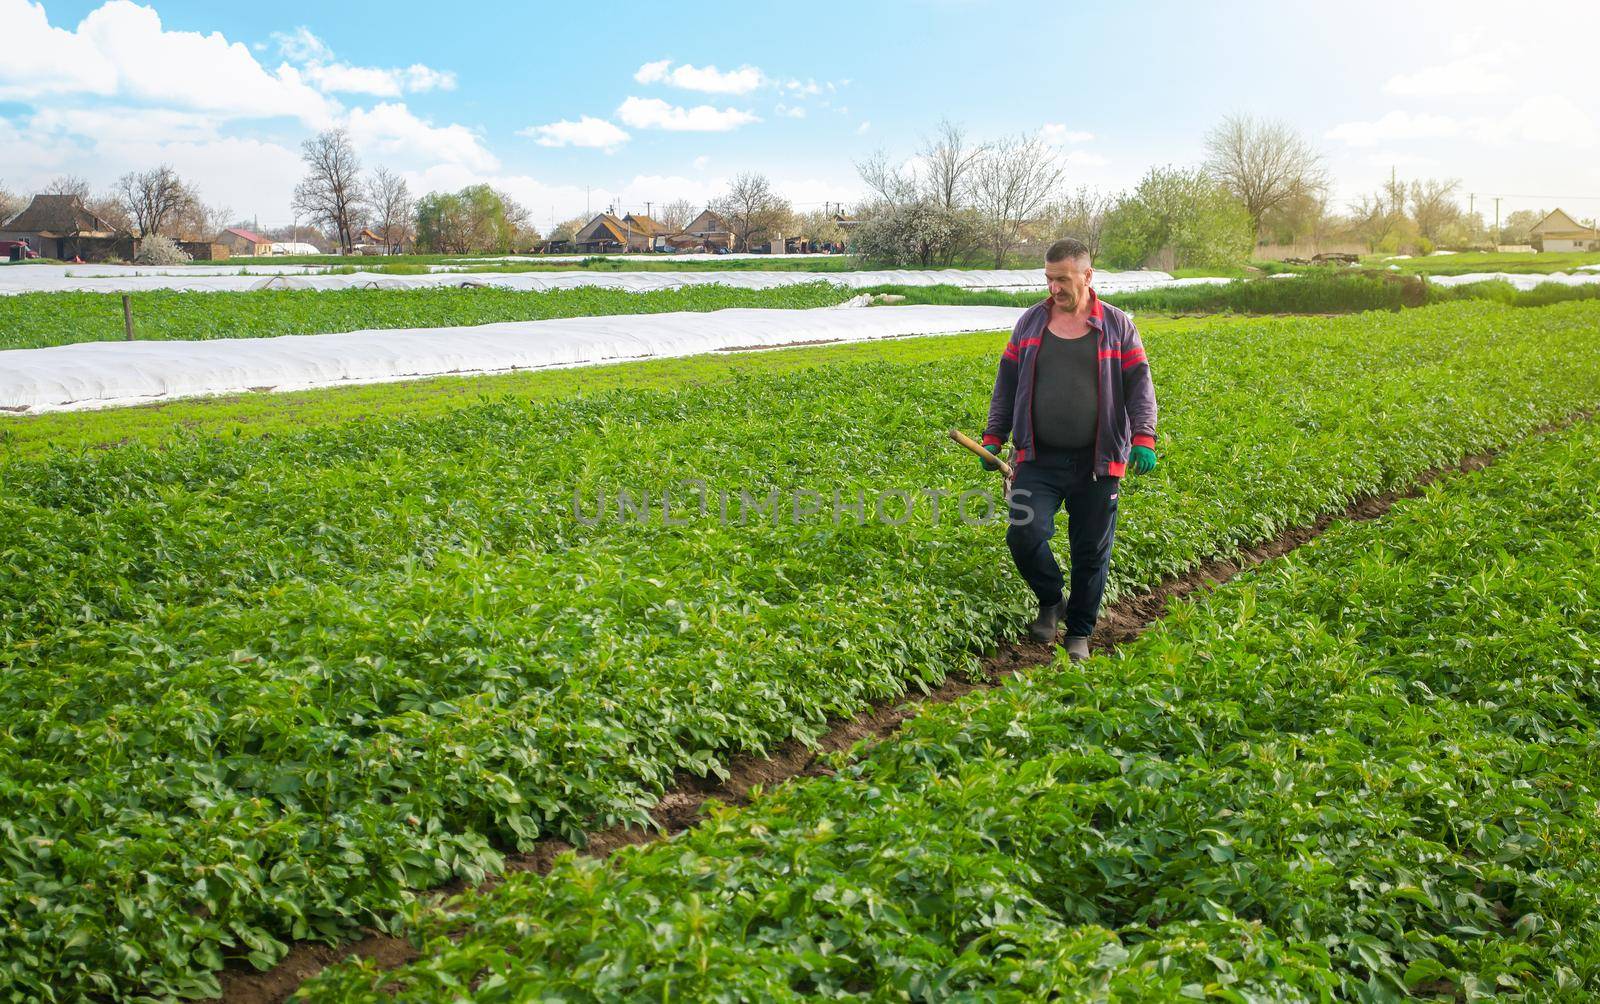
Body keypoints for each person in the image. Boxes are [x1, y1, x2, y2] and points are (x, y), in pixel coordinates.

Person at [980, 237, 1159, 662]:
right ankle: (1051, 598)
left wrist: (1144, 437)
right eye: (1048, 278)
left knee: (1090, 551)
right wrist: (994, 435)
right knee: (1024, 534)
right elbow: (1006, 383)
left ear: (1087, 275)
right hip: (1036, 457)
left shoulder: (1117, 325)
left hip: (1097, 463)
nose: (1054, 287)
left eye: (1062, 279)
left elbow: (1140, 387)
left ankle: (1079, 631)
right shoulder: (1030, 323)